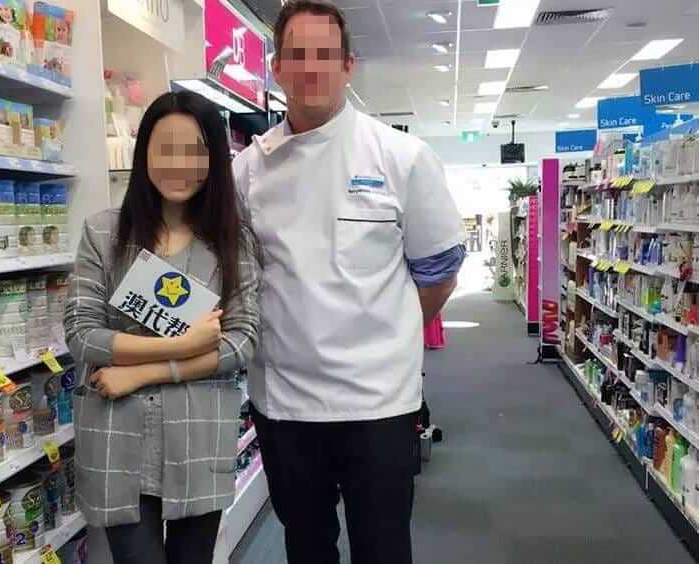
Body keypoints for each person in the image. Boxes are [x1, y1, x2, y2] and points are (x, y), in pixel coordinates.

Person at [232, 1, 466, 563]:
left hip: (378, 405)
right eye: (297, 55)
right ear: (276, 67)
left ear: (347, 65)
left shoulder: (401, 157)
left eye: (325, 54)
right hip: (284, 405)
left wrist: (385, 335)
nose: (311, 68)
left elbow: (438, 272)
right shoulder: (247, 171)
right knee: (307, 547)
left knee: (383, 548)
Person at [64, 91, 260, 564]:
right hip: (117, 436)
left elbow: (242, 340)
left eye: (194, 151)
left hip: (198, 433)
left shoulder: (231, 241)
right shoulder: (104, 233)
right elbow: (82, 333)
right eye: (165, 149)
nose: (179, 164)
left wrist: (142, 372)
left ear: (214, 159)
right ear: (143, 153)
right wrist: (185, 343)